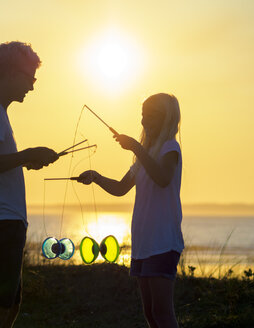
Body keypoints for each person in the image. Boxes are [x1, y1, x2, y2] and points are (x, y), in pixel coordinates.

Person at [0, 41, 59, 328]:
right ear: (10, 72)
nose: (32, 87)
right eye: (30, 77)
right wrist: (26, 155)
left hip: (6, 223)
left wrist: (24, 160)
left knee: (10, 305)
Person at [77, 93, 184, 328]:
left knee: (163, 314)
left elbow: (163, 178)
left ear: (166, 118)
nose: (145, 122)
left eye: (152, 116)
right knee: (150, 314)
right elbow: (120, 188)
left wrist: (136, 147)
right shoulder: (143, 157)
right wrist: (95, 177)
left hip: (163, 242)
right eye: (143, 116)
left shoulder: (170, 148)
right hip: (144, 243)